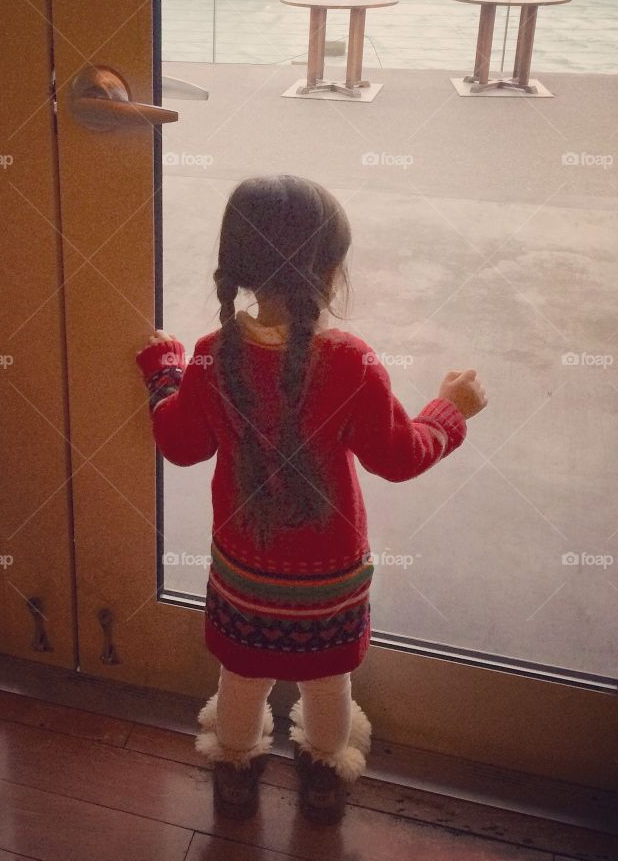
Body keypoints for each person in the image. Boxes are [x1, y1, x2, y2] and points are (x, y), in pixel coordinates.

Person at [135, 174, 486, 824]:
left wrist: (164, 373)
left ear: (236, 267)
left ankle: (234, 774)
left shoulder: (212, 356)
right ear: (331, 271)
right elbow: (400, 456)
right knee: (328, 680)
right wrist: (450, 410)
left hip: (245, 573)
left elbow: (182, 446)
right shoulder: (352, 361)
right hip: (329, 579)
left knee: (241, 677)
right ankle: (324, 780)